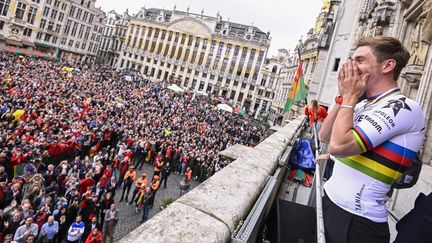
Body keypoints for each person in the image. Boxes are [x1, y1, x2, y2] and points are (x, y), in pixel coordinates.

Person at [318, 36, 425, 243]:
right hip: (331, 202)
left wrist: (350, 97)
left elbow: (339, 146)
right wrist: (344, 98)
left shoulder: (405, 107)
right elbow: (325, 136)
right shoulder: (360, 104)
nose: (351, 66)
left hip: (357, 221)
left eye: (360, 60)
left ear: (388, 66)